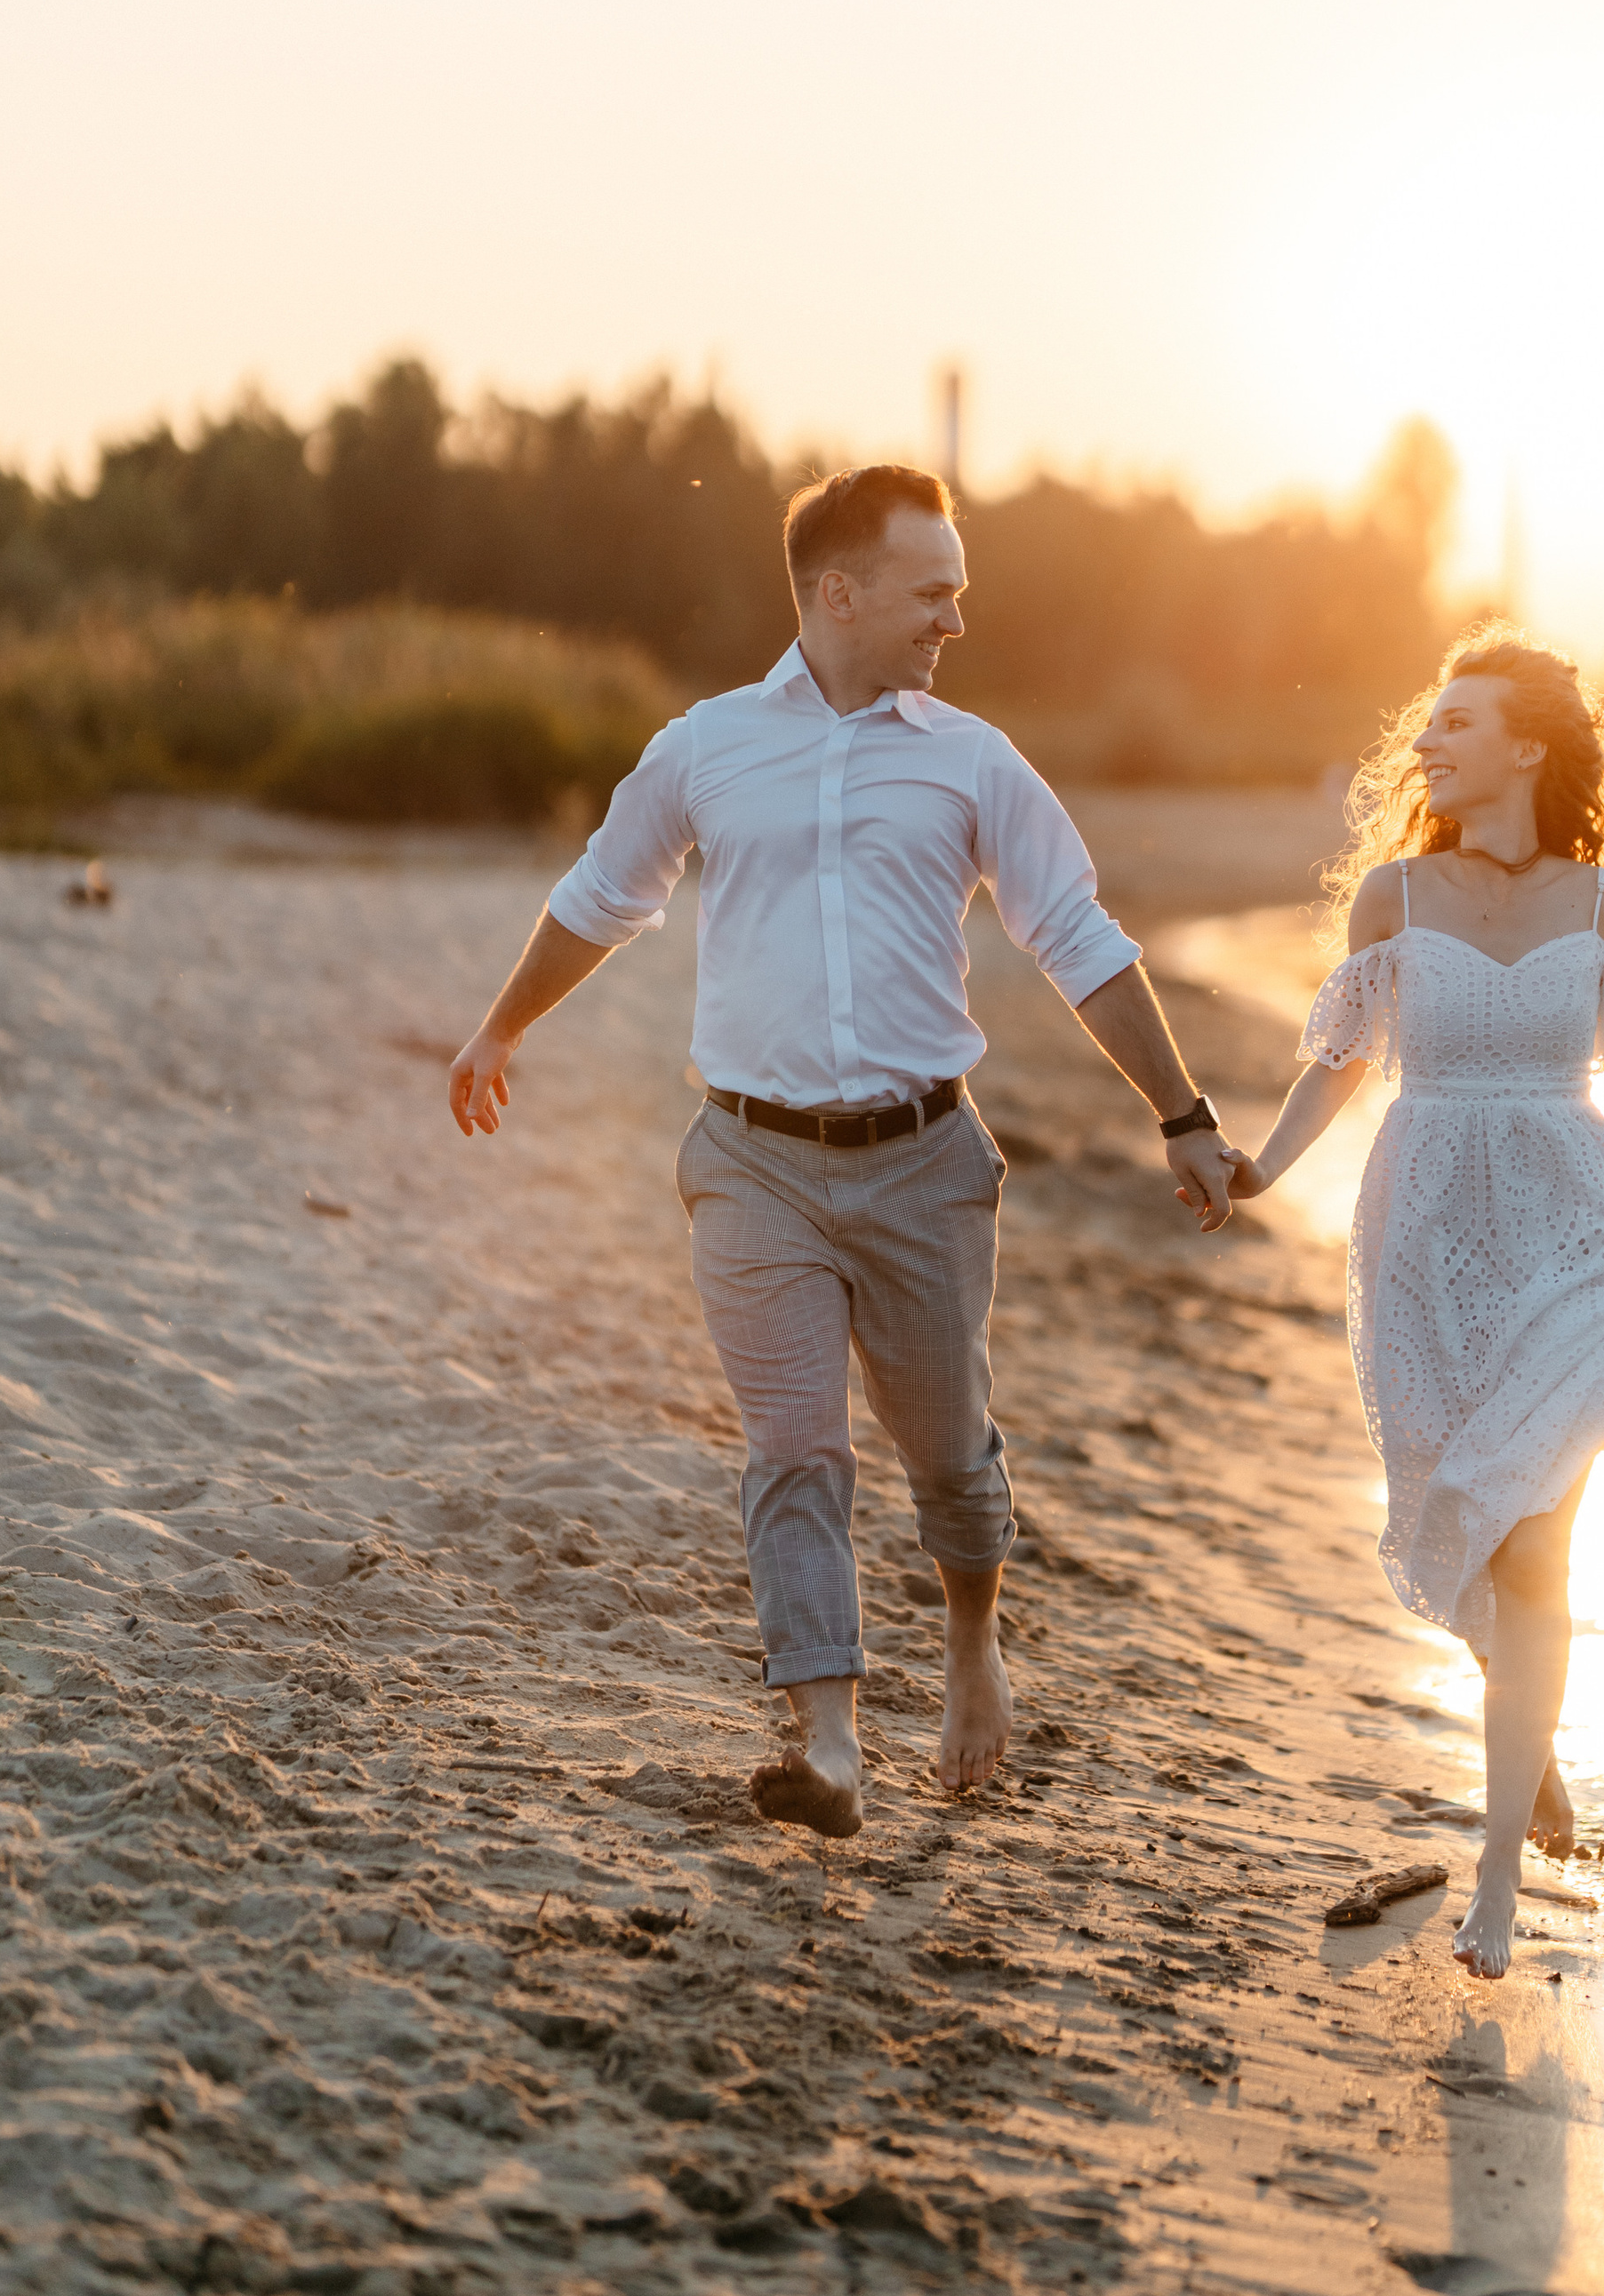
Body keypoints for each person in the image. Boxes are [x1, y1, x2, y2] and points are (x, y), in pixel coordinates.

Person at [445, 465, 1238, 1841]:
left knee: (946, 1456)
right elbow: (601, 897)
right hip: (749, 1165)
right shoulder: (704, 746)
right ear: (840, 593)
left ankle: (975, 1647)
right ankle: (826, 1742)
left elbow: (1082, 942)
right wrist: (500, 1028)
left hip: (925, 1165)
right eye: (936, 592)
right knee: (796, 1449)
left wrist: (1182, 1114)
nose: (955, 621)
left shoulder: (974, 759)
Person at [1220, 625, 1604, 1978]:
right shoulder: (1395, 900)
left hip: (1569, 1231)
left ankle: (1496, 1879)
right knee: (1470, 1517)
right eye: (1429, 719)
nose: (1428, 738)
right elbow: (1340, 1061)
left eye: (1460, 719)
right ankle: (1529, 1760)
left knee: (1535, 1541)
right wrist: (1260, 1169)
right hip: (1423, 1241)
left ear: (1529, 747)